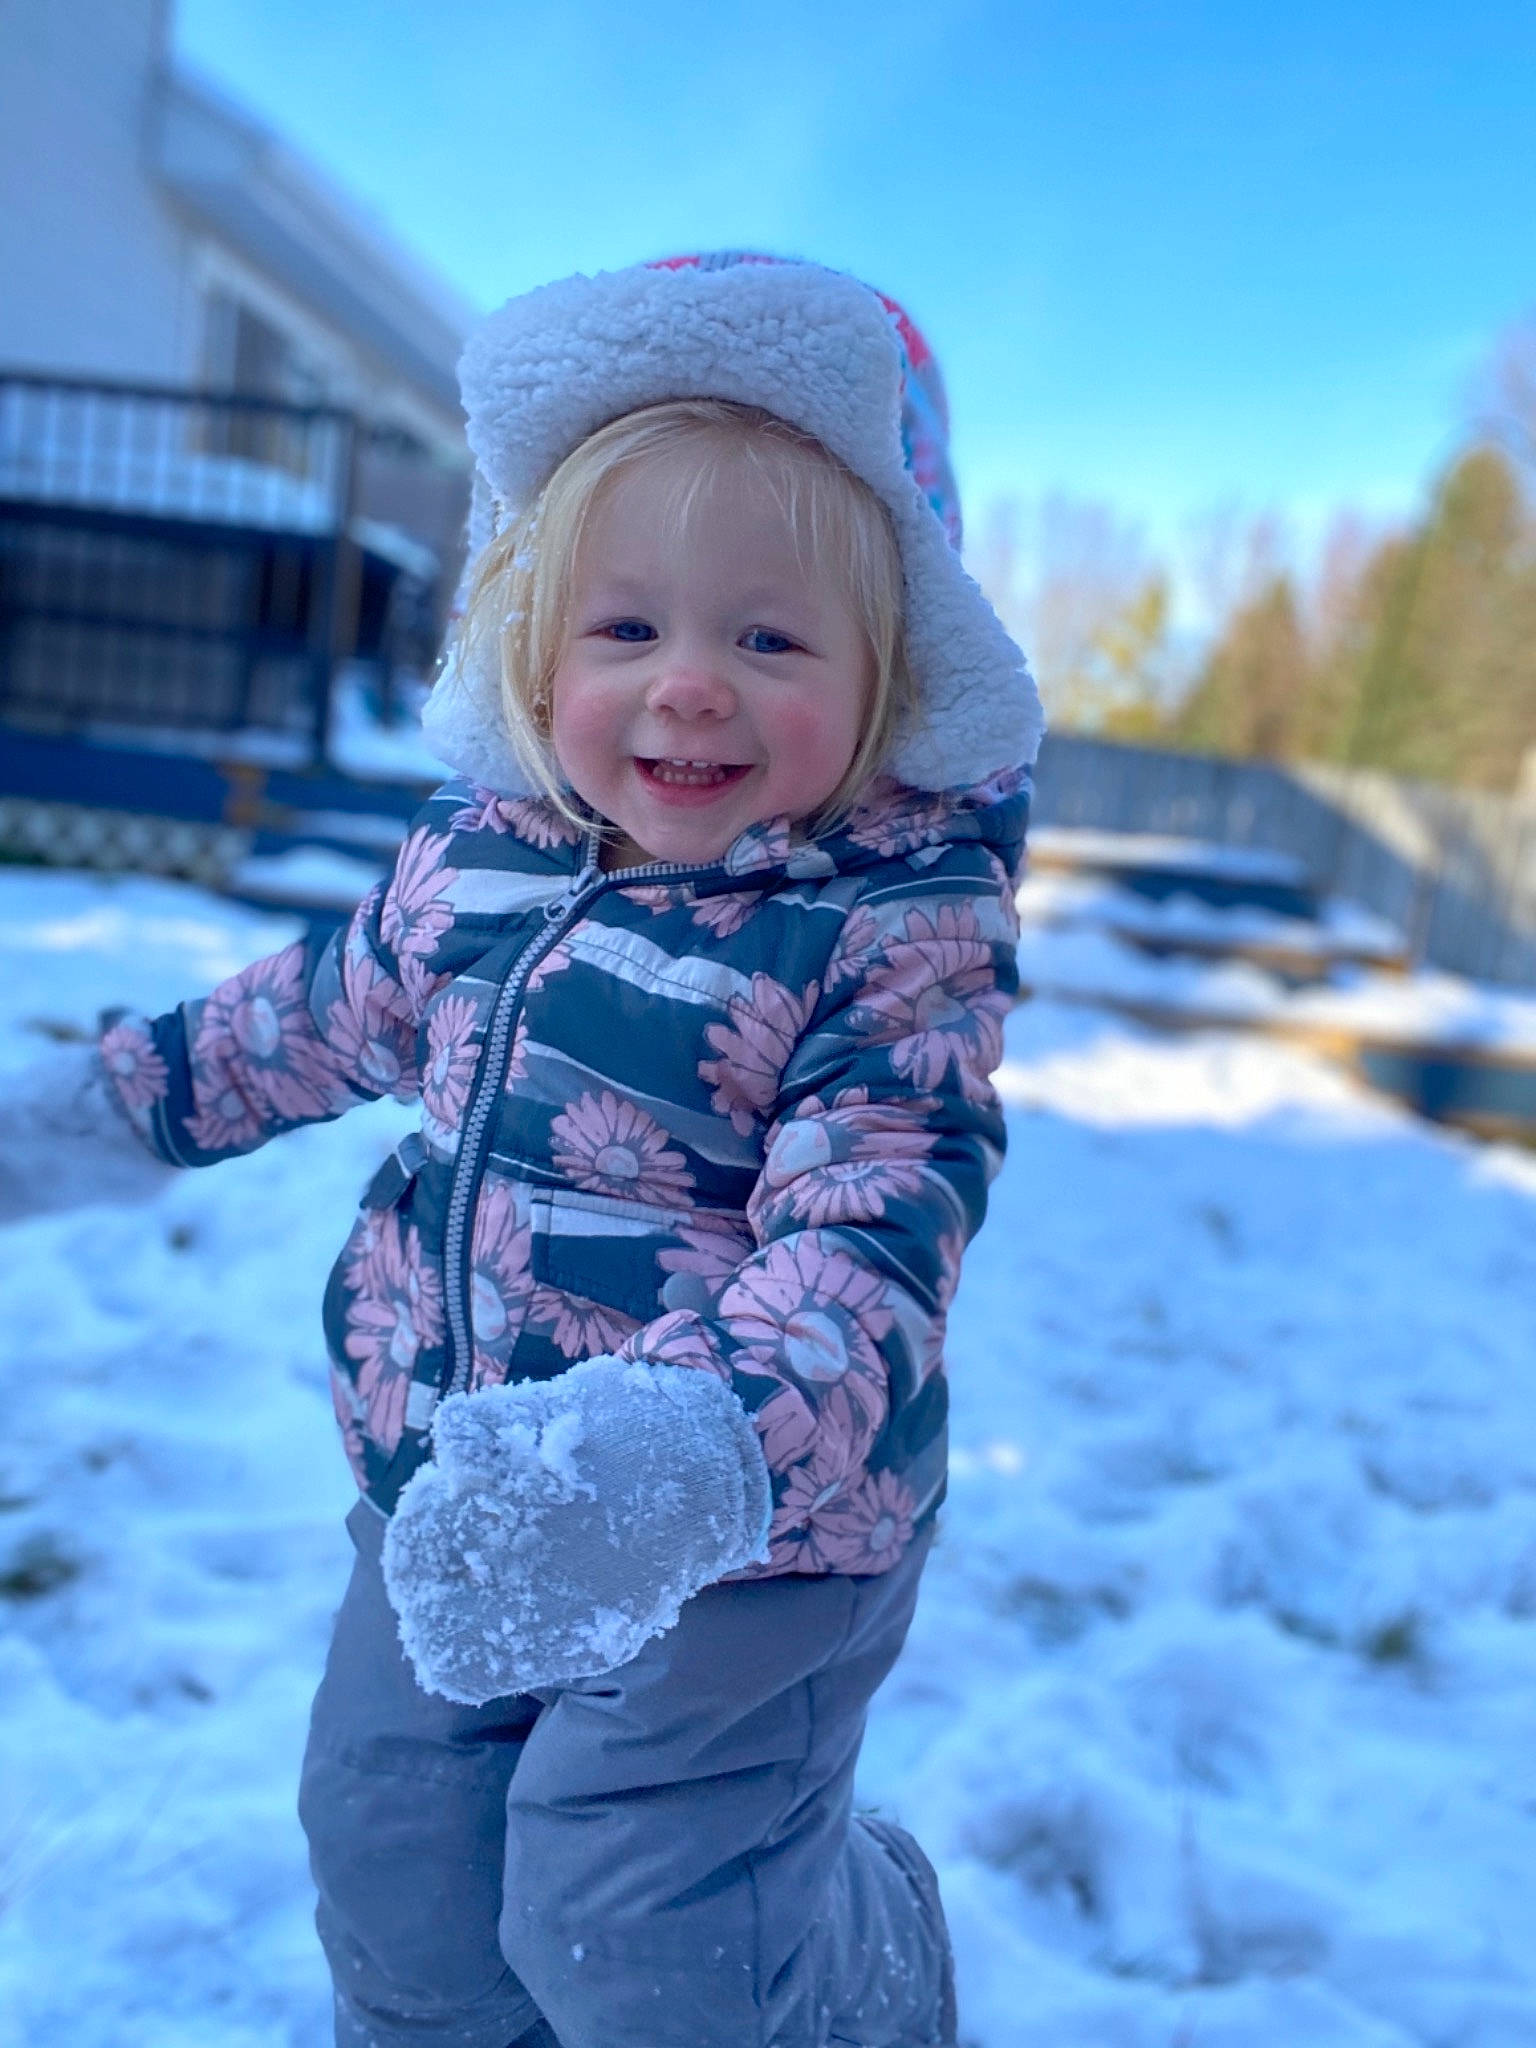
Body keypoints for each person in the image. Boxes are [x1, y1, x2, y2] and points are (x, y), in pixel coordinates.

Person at [0, 253, 1043, 2048]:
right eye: (627, 629)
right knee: (397, 1875)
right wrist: (71, 1126)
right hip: (454, 1499)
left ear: (891, 672)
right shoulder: (473, 869)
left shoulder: (900, 928)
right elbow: (285, 1025)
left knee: (639, 1931)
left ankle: (869, 1963)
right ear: (535, 645)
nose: (691, 687)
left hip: (749, 1536)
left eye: (770, 635)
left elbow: (871, 1238)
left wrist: (684, 1448)